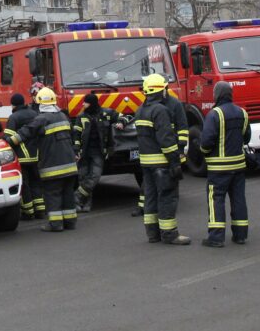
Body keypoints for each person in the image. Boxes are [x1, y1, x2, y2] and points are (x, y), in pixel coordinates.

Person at [4, 87, 79, 232]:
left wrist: (7, 142)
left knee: (53, 194)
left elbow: (24, 133)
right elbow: (74, 135)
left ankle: (56, 224)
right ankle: (70, 222)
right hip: (70, 165)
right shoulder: (64, 117)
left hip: (53, 166)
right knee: (67, 194)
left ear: (39, 103)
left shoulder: (41, 119)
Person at [134, 73, 189, 245]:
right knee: (167, 196)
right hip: (162, 163)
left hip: (146, 163)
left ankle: (153, 234)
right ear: (161, 91)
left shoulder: (140, 110)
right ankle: (169, 234)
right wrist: (175, 162)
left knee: (150, 197)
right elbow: (166, 141)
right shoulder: (161, 110)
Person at [198, 81, 250, 247]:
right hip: (239, 166)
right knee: (239, 199)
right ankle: (240, 235)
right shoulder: (243, 112)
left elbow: (206, 141)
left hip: (219, 168)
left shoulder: (214, 114)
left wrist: (204, 152)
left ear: (217, 95)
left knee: (216, 200)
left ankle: (216, 237)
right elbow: (246, 137)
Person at [73, 93, 121, 212]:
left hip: (98, 153)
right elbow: (76, 135)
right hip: (84, 153)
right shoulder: (81, 117)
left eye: (86, 102)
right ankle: (85, 204)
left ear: (92, 103)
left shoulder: (106, 114)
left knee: (95, 176)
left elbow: (123, 117)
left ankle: (76, 197)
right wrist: (76, 150)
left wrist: (122, 123)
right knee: (83, 177)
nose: (83, 104)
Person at [4, 93, 44, 220]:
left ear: (14, 104)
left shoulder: (14, 117)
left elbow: (8, 138)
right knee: (36, 183)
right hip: (37, 156)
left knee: (25, 184)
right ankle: (40, 210)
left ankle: (28, 212)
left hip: (23, 158)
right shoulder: (34, 114)